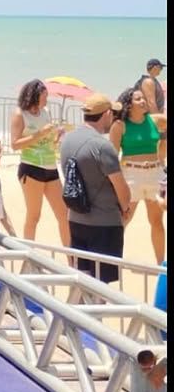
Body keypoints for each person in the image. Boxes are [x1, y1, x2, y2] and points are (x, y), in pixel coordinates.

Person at [59, 93, 131, 285]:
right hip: (104, 224)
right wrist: (125, 208)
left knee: (82, 281)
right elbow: (120, 187)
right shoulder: (102, 146)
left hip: (76, 220)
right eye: (113, 114)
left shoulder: (67, 140)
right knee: (101, 286)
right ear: (106, 114)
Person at [10, 79, 70, 246]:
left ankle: (71, 257)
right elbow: (15, 144)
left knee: (64, 214)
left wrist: (56, 136)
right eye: (44, 96)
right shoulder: (20, 114)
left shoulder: (46, 112)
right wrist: (39, 134)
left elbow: (47, 142)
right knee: (34, 216)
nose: (46, 99)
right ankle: (28, 255)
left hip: (50, 167)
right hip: (31, 167)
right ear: (34, 95)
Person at [110, 85, 167, 264]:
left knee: (157, 221)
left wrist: (164, 145)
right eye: (138, 99)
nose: (143, 101)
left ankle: (161, 266)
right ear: (128, 104)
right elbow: (112, 156)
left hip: (155, 174)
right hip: (131, 176)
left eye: (143, 98)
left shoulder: (155, 120)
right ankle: (112, 262)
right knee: (123, 220)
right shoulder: (119, 125)